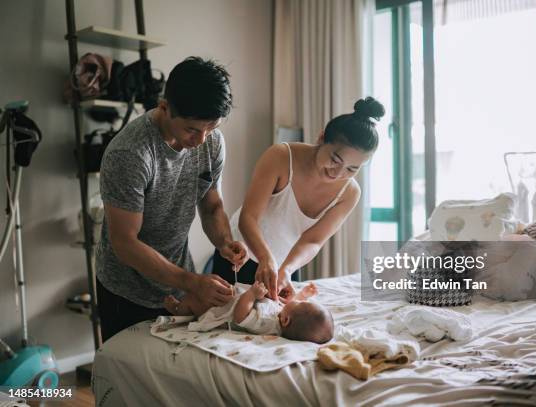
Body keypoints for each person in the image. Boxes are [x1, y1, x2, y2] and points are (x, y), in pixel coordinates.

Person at [96, 57, 247, 341]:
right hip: (126, 290)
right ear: (165, 107)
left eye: (211, 127)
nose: (202, 139)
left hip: (179, 282)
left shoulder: (212, 142)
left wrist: (225, 242)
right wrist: (192, 282)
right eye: (192, 129)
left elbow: (211, 205)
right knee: (126, 379)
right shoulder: (130, 153)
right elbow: (125, 243)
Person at [213, 97, 385, 301]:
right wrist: (265, 258)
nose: (338, 173)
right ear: (321, 138)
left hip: (285, 263)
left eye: (352, 169)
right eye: (335, 160)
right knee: (223, 319)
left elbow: (313, 240)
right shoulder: (280, 157)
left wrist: (287, 269)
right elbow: (248, 218)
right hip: (239, 254)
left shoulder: (349, 193)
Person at [164, 281, 333, 344]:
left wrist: (251, 295)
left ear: (286, 321)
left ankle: (179, 309)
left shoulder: (267, 324)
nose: (295, 301)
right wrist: (301, 295)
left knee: (194, 302)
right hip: (233, 297)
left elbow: (240, 317)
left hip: (221, 310)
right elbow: (287, 306)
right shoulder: (284, 317)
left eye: (299, 303)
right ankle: (182, 306)